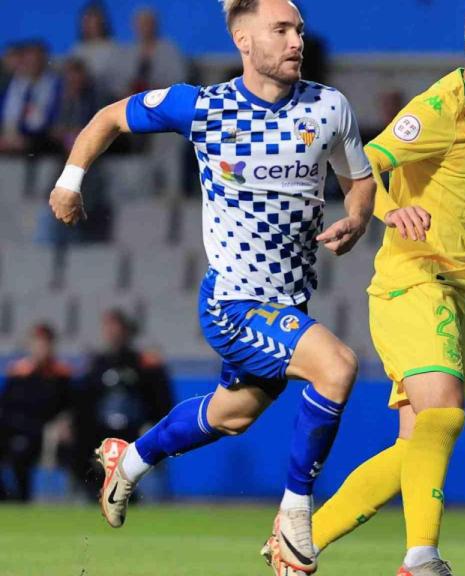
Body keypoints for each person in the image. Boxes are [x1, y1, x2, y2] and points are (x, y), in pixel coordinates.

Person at [48, 1, 376, 573]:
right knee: (337, 366)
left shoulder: (330, 108)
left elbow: (361, 180)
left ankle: (128, 463)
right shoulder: (203, 107)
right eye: (280, 29)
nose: (296, 39)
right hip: (233, 304)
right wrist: (70, 181)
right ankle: (295, 516)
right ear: (244, 42)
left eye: (298, 29)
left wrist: (356, 218)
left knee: (231, 416)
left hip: (289, 303)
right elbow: (107, 117)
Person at [263, 1, 465, 575]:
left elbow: (463, 195)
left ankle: (297, 541)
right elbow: (364, 162)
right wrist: (388, 212)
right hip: (414, 283)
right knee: (445, 415)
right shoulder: (442, 106)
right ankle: (421, 559)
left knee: (416, 448)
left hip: (456, 288)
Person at [67, 309, 173, 498]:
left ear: (126, 332)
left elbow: (162, 401)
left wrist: (155, 424)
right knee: (78, 444)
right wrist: (70, 422)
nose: (113, 334)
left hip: (135, 428)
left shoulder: (144, 364)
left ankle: (123, 495)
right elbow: (82, 401)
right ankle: (95, 491)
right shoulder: (96, 364)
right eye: (109, 329)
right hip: (99, 429)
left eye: (116, 329)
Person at [0, 324, 72, 502]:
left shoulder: (60, 375)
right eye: (38, 343)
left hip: (42, 431)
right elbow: (7, 407)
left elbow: (69, 407)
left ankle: (21, 500)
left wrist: (65, 422)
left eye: (46, 344)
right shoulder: (18, 373)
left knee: (21, 453)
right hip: (14, 428)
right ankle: (7, 498)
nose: (42, 348)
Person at [0, 40, 62, 156]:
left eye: (36, 60)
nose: (33, 64)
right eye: (29, 60)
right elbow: (8, 113)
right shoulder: (16, 83)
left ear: (43, 60)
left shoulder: (54, 83)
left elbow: (48, 118)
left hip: (43, 134)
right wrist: (10, 136)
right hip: (14, 134)